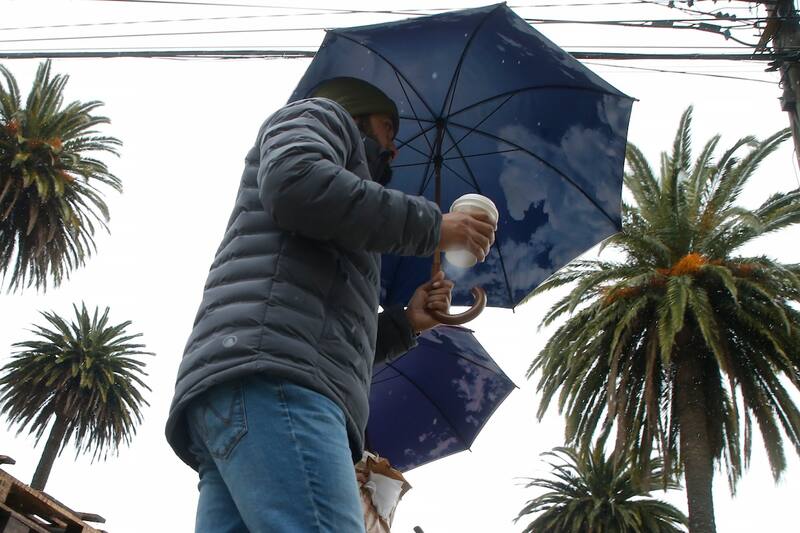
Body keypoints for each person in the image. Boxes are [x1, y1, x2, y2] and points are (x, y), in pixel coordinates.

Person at [165, 77, 496, 533]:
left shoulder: (346, 222)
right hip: (278, 381)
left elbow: (326, 337)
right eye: (388, 128)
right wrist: (433, 227)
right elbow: (294, 184)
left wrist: (408, 323)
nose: (394, 148)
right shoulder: (321, 115)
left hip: (252, 383)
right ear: (358, 114)